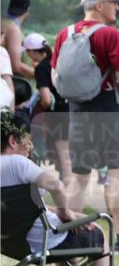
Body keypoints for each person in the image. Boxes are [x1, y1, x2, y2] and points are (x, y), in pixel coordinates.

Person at [1, 111, 119, 266]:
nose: (30, 148)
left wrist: (65, 214)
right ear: (12, 140)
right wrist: (66, 213)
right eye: (27, 141)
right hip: (41, 242)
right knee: (97, 233)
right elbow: (56, 185)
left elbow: (31, 207)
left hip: (10, 244)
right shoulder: (17, 163)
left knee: (62, 233)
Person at [52, 0, 119, 257]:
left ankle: (68, 239)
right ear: (100, 5)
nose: (118, 7)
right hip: (109, 110)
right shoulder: (110, 35)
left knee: (79, 177)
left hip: (78, 111)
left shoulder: (65, 34)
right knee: (117, 175)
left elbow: (56, 77)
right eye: (114, 2)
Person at [25, 34, 71, 182]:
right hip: (74, 109)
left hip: (59, 115)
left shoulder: (42, 68)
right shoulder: (58, 62)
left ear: (32, 51)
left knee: (64, 159)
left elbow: (46, 100)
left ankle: (68, 193)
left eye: (27, 52)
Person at [2, 0, 35, 81]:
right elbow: (16, 66)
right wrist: (41, 74)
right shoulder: (13, 29)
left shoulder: (3, 23)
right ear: (27, 10)